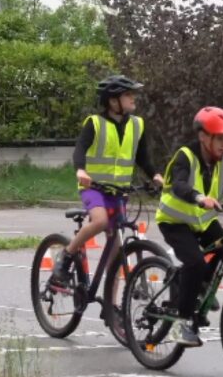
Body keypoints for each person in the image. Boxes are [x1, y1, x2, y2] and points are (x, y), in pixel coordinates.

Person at [155, 107, 223, 347]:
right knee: (196, 262)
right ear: (203, 136)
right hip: (175, 221)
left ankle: (198, 287)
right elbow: (179, 185)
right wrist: (199, 198)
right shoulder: (185, 157)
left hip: (203, 222)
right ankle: (180, 326)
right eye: (219, 138)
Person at [51, 76, 164, 287]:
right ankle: (66, 256)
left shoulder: (137, 125)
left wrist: (155, 175)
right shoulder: (95, 123)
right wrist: (81, 171)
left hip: (119, 192)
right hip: (93, 188)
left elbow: (143, 158)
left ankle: (111, 309)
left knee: (116, 253)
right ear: (113, 101)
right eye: (128, 95)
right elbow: (80, 150)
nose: (133, 98)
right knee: (100, 221)